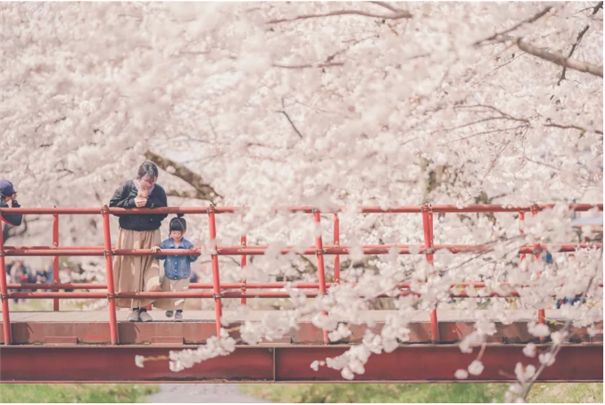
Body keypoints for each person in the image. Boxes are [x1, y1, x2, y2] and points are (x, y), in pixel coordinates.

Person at [109, 161, 168, 322]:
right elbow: (112, 207)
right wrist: (132, 204)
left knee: (150, 270)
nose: (149, 184)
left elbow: (164, 212)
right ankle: (134, 309)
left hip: (151, 233)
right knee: (131, 270)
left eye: (153, 181)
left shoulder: (159, 191)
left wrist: (149, 204)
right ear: (139, 177)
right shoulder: (126, 187)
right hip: (129, 234)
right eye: (147, 180)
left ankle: (144, 308)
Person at [152, 214, 199, 321]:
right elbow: (161, 256)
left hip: (183, 274)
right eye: (173, 233)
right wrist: (157, 248)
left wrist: (194, 252)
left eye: (179, 233)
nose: (176, 235)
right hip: (169, 273)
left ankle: (179, 313)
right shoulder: (166, 244)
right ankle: (169, 308)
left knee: (181, 294)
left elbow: (192, 258)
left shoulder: (188, 245)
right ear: (170, 232)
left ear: (184, 232)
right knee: (168, 291)